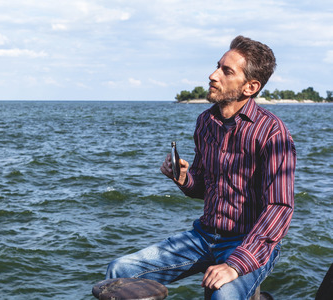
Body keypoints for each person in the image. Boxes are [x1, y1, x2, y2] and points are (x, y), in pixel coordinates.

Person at [105, 36, 296, 300]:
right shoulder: (205, 122)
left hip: (248, 243)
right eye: (217, 66)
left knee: (222, 296)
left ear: (250, 87)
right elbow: (204, 188)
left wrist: (235, 265)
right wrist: (183, 178)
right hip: (204, 235)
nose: (213, 75)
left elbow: (280, 208)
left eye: (226, 71)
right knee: (119, 271)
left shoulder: (273, 133)